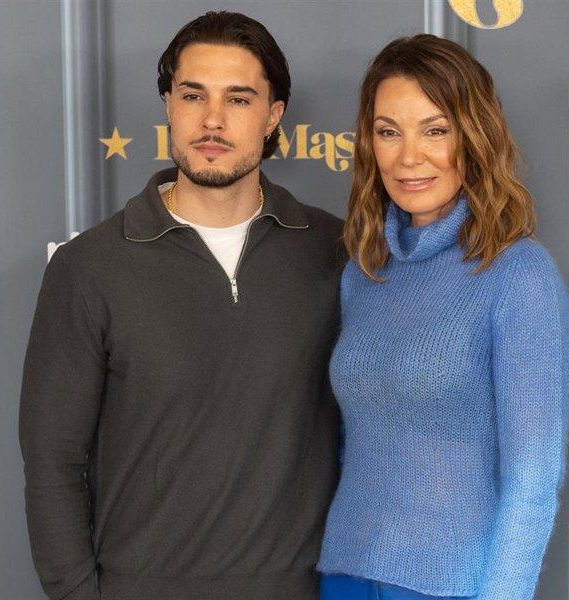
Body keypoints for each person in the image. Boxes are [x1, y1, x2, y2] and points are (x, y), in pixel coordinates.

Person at [19, 11, 344, 600]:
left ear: (273, 116)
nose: (212, 120)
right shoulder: (88, 266)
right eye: (193, 95)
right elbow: (52, 459)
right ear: (169, 105)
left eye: (238, 99)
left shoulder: (335, 250)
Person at [317, 34, 569, 600]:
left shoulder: (517, 274)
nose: (409, 157)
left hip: (452, 584)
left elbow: (533, 478)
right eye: (389, 132)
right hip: (345, 573)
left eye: (435, 130)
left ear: (474, 137)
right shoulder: (364, 272)